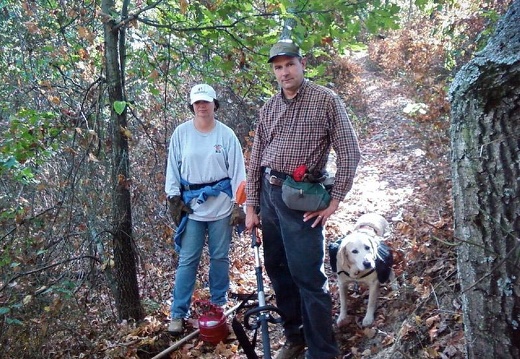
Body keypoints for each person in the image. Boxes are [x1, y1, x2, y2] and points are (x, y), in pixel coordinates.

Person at [245, 40, 361, 359]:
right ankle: (295, 337)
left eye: (289, 64)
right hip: (269, 196)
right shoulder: (269, 106)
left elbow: (350, 152)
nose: (284, 72)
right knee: (278, 269)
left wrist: (334, 200)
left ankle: (322, 350)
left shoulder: (325, 100)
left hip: (301, 198)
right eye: (278, 67)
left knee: (307, 276)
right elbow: (256, 158)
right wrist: (251, 206)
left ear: (302, 63)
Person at [165, 83, 246, 333]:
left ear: (214, 104)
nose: (202, 106)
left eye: (206, 101)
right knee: (188, 259)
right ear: (192, 105)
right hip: (193, 207)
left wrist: (238, 204)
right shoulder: (181, 133)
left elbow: (237, 172)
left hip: (221, 205)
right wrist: (173, 197)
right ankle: (178, 313)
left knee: (219, 257)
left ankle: (218, 303)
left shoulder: (226, 135)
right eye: (197, 102)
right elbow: (173, 168)